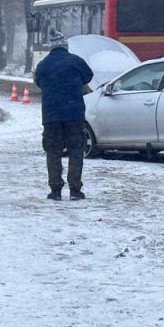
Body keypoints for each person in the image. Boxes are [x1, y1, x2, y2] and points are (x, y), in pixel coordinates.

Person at [34, 31, 94, 201]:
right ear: (65, 46)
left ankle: (55, 190)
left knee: (53, 152)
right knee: (76, 150)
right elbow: (88, 76)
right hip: (74, 114)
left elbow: (38, 82)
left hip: (51, 116)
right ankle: (75, 189)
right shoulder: (76, 61)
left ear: (50, 47)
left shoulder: (43, 65)